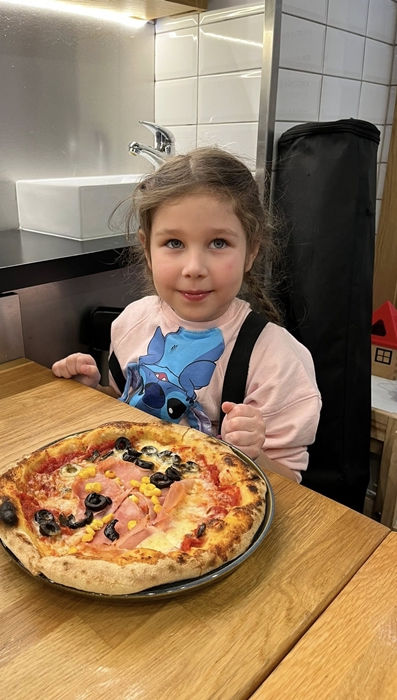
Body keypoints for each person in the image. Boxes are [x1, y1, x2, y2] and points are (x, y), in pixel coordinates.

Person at [52, 147, 321, 483]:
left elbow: (291, 483)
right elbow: (124, 406)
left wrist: (255, 453)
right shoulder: (132, 322)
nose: (194, 268)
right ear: (147, 248)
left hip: (209, 506)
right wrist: (92, 392)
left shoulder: (278, 361)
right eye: (174, 243)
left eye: (218, 243)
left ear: (251, 250)